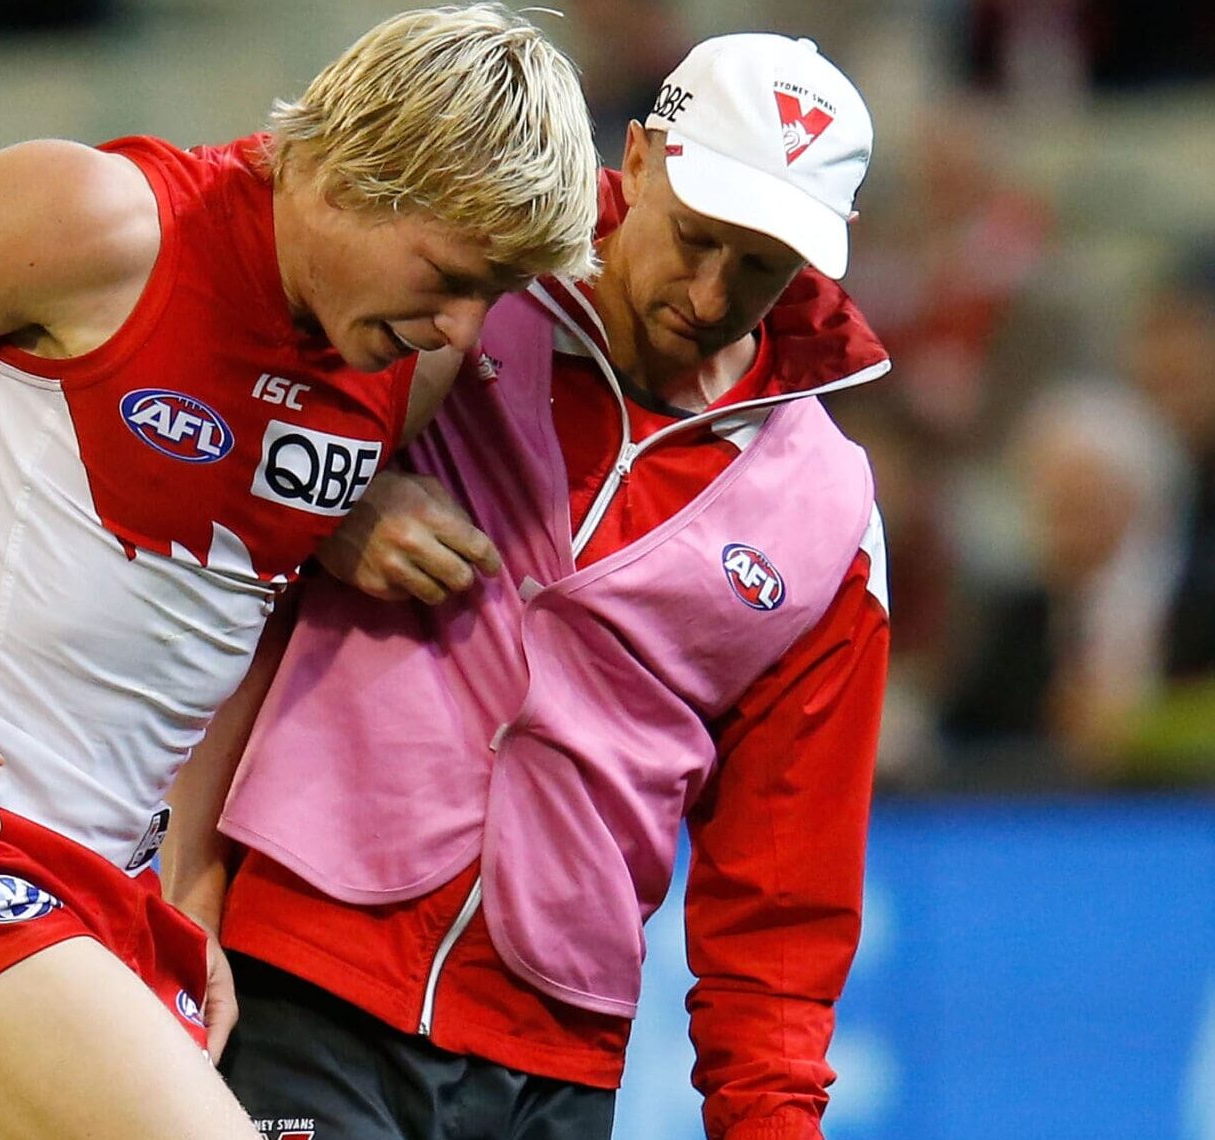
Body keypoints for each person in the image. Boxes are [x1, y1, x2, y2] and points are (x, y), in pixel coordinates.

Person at [0, 6, 600, 1138]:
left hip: (115, 901)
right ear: (361, 175)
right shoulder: (99, 224)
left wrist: (192, 875)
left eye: (493, 292)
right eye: (453, 272)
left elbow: (234, 609)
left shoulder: (405, 364)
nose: (462, 321)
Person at [165, 33, 892, 1140]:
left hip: (557, 1053)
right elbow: (187, 373)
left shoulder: (830, 516)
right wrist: (332, 502)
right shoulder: (460, 274)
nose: (708, 295)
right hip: (297, 969)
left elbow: (781, 900)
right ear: (638, 157)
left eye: (760, 267)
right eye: (696, 239)